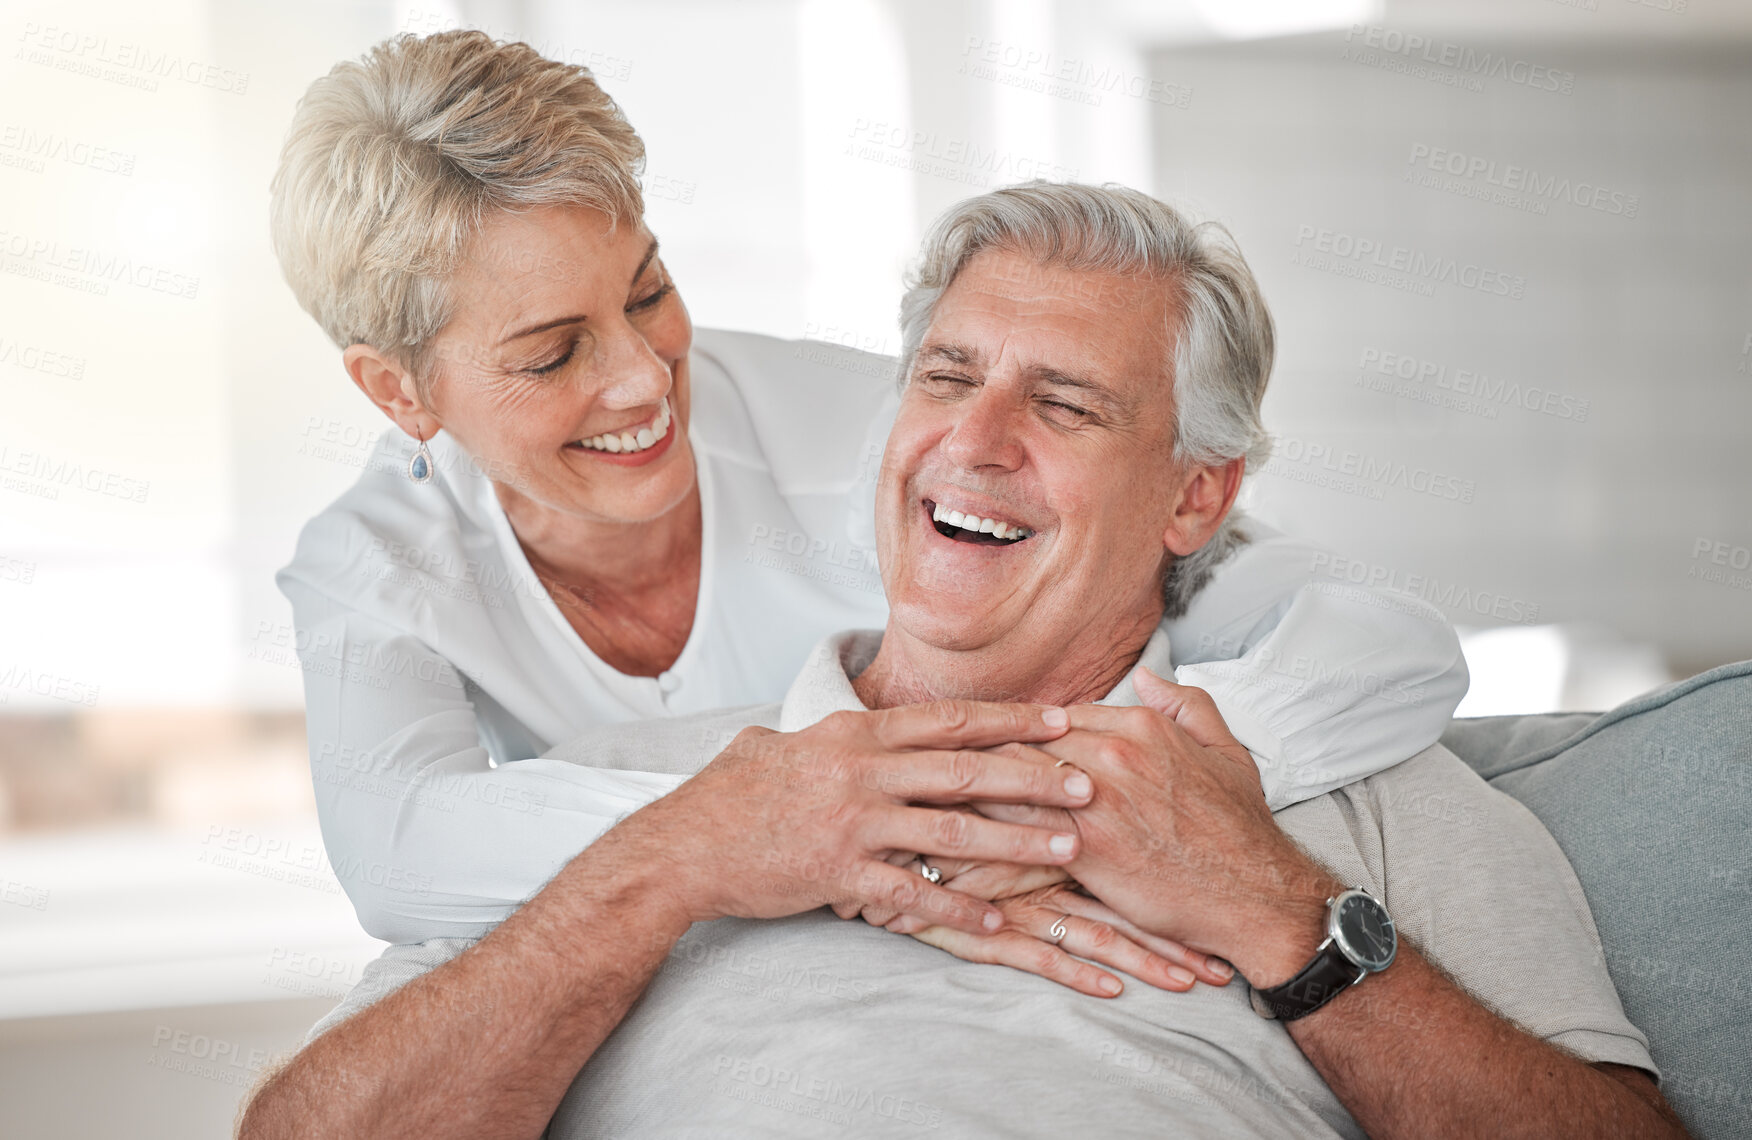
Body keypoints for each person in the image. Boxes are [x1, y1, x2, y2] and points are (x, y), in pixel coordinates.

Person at [240, 184, 1683, 1140]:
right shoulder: (632, 804)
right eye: (944, 378)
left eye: (1062, 404)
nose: (974, 445)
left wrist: (1280, 917)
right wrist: (670, 867)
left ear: (1194, 496)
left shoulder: (1369, 808)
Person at [269, 29, 1467, 953]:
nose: (645, 377)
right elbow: (399, 859)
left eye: (645, 293)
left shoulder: (894, 431)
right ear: (399, 393)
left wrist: (1059, 801)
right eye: (550, 353)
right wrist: (807, 824)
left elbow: (1383, 641)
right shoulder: (375, 573)